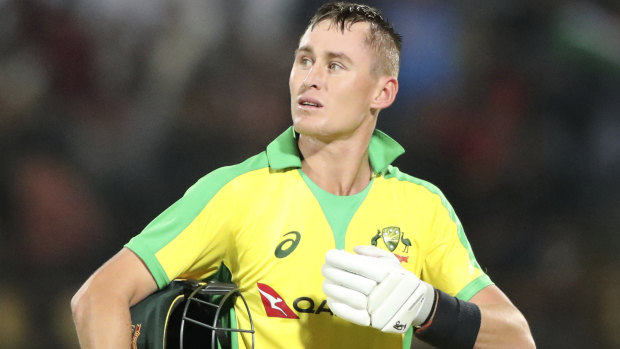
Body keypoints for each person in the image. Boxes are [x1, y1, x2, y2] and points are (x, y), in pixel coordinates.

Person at [71, 2, 535, 348]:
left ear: (383, 91)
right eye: (304, 59)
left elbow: (516, 338)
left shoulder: (422, 207)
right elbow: (98, 296)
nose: (311, 77)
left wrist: (426, 307)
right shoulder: (239, 192)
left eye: (335, 65)